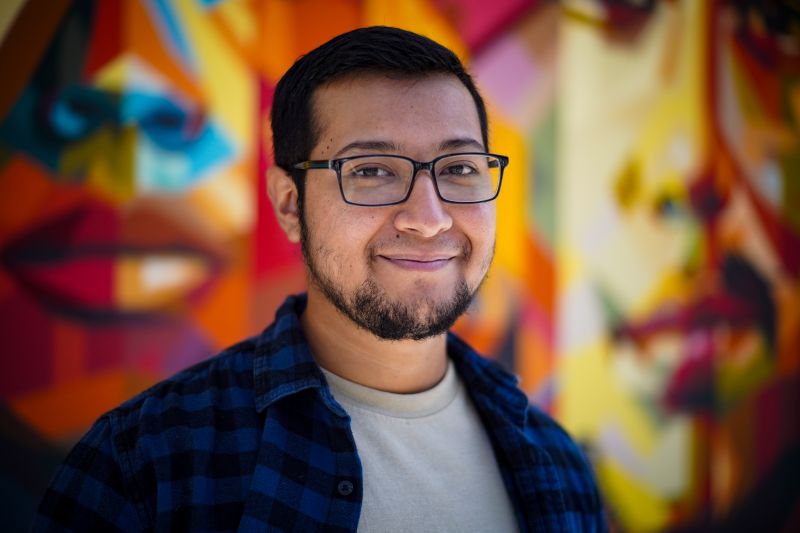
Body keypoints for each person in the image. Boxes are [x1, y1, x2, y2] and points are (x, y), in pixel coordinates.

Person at [33, 26, 606, 532]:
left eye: (458, 168)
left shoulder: (556, 464)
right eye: (372, 171)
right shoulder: (148, 463)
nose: (429, 219)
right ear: (289, 204)